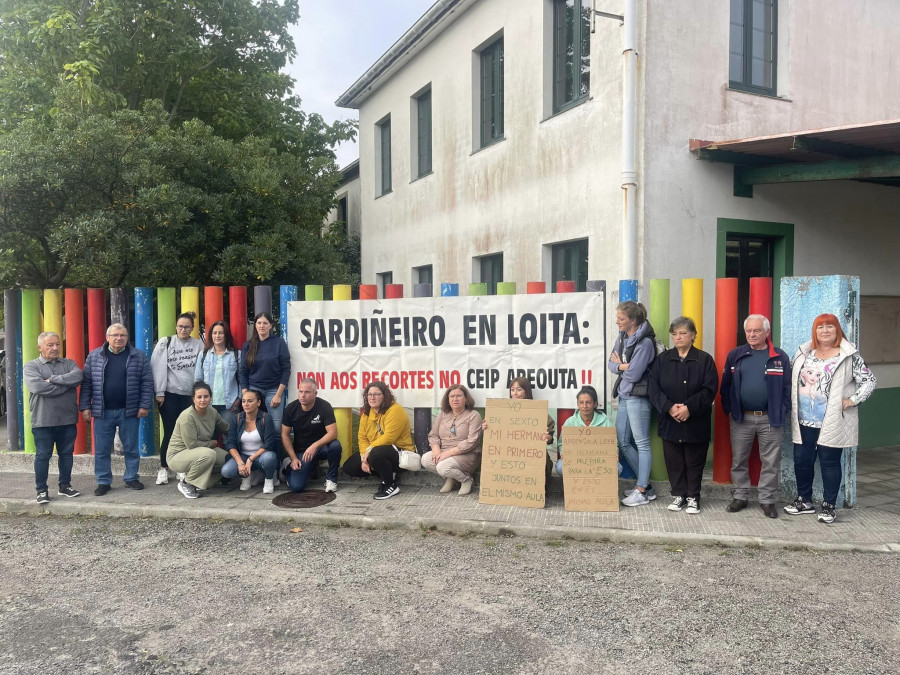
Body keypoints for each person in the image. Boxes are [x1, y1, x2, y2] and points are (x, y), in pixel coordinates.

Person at [785, 314, 876, 523]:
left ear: (837, 331)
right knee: (801, 460)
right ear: (814, 332)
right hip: (804, 419)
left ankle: (828, 505)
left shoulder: (848, 356)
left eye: (829, 327)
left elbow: (869, 381)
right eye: (820, 327)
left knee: (830, 462)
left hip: (833, 420)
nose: (824, 331)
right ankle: (804, 500)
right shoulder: (803, 354)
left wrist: (853, 400)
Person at [719, 314, 791, 519]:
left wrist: (782, 409)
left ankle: (767, 500)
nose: (752, 334)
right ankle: (740, 496)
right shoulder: (736, 355)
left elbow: (787, 388)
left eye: (757, 330)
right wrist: (730, 408)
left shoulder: (779, 357)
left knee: (770, 461)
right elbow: (726, 385)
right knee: (739, 459)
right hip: (742, 418)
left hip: (771, 418)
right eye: (748, 330)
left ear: (767, 332)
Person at [648, 317, 718, 514]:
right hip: (669, 420)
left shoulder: (704, 360)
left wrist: (689, 408)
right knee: (674, 460)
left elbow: (709, 389)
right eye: (675, 334)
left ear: (693, 335)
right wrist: (669, 407)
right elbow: (654, 388)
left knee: (694, 460)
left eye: (683, 333)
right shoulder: (663, 359)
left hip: (695, 421)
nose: (678, 337)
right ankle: (678, 495)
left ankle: (693, 497)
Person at [79, 323, 153, 496]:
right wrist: (85, 406)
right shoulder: (94, 356)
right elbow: (87, 383)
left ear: (127, 338)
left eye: (123, 335)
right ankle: (103, 481)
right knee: (102, 449)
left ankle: (131, 477)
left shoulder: (138, 356)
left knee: (131, 447)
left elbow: (147, 382)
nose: (119, 338)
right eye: (115, 335)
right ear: (107, 337)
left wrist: (144, 405)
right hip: (102, 411)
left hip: (130, 410)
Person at [23, 331, 84, 504]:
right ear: (40, 347)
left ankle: (65, 486)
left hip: (67, 419)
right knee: (43, 456)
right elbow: (39, 387)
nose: (55, 348)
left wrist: (53, 379)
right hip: (43, 421)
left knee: (67, 455)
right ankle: (41, 490)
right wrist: (65, 386)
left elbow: (78, 376)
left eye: (57, 344)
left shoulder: (69, 363)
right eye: (50, 345)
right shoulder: (31, 366)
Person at [608, 301, 659, 506]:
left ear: (633, 320)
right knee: (623, 441)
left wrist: (622, 366)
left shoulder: (645, 343)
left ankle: (641, 491)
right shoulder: (622, 338)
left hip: (639, 398)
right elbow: (611, 365)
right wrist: (624, 366)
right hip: (625, 396)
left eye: (621, 319)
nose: (617, 322)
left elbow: (636, 373)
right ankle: (646, 485)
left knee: (642, 443)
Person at [151, 312, 204, 485]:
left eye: (187, 327)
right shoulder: (166, 343)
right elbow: (157, 368)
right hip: (169, 394)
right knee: (170, 431)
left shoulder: (199, 345)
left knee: (186, 433)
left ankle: (182, 468)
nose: (183, 329)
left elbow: (201, 370)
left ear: (192, 328)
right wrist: (159, 392)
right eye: (180, 326)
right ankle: (164, 468)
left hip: (190, 396)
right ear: (176, 326)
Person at [342, 380, 414, 500]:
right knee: (350, 466)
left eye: (377, 394)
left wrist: (368, 453)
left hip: (400, 453)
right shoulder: (366, 412)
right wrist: (364, 457)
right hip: (376, 452)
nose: (372, 397)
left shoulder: (395, 410)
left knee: (376, 454)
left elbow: (388, 438)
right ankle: (387, 471)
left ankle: (390, 484)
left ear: (385, 396)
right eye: (369, 394)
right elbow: (362, 437)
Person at [484, 377, 555, 484]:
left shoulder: (539, 412)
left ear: (526, 391)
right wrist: (487, 426)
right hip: (509, 452)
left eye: (519, 389)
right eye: (512, 390)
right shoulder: (501, 412)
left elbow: (550, 438)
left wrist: (546, 437)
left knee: (542, 460)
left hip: (531, 453)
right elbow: (495, 433)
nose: (515, 393)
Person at [167, 381, 231, 499]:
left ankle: (203, 483)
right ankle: (187, 483)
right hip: (178, 455)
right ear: (193, 399)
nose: (203, 400)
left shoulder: (212, 412)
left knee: (229, 461)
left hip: (202, 450)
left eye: (206, 396)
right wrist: (211, 443)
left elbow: (226, 428)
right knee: (209, 454)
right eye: (199, 397)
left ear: (210, 398)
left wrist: (246, 433)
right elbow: (192, 445)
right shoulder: (187, 416)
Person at [238, 312, 290, 452]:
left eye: (265, 323)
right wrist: (246, 394)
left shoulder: (279, 343)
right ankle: (256, 461)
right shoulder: (248, 345)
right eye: (259, 323)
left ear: (271, 326)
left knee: (277, 428)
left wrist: (279, 394)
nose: (262, 326)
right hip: (254, 389)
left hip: (274, 390)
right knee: (255, 425)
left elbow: (286, 369)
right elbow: (243, 371)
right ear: (255, 325)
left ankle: (275, 465)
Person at [281, 377, 342, 493]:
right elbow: (285, 435)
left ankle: (331, 479)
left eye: (307, 392)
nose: (303, 395)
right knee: (296, 487)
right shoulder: (290, 409)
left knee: (335, 445)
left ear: (315, 393)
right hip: (302, 451)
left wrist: (315, 445)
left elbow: (333, 433)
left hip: (321, 447)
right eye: (301, 391)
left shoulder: (324, 406)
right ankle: (287, 465)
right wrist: (293, 458)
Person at [422, 384, 483, 495]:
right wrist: (436, 449)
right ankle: (451, 478)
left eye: (459, 396)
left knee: (443, 467)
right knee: (425, 460)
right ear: (448, 399)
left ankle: (466, 480)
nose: (455, 399)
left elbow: (472, 441)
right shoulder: (443, 414)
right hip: (445, 451)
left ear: (465, 398)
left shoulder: (473, 415)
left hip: (466, 454)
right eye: (452, 396)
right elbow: (433, 435)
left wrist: (449, 453)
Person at [222, 389, 280, 494]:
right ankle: (247, 475)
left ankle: (269, 478)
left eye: (250, 401)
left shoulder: (266, 418)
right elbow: (231, 443)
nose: (246, 404)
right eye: (243, 401)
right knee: (226, 471)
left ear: (258, 402)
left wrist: (250, 460)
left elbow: (269, 444)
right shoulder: (236, 419)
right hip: (243, 455)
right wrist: (240, 463)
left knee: (269, 458)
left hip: (260, 456)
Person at [556, 386, 612, 478]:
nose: (584, 406)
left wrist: (614, 454)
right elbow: (562, 443)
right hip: (576, 459)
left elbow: (614, 443)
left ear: (595, 404)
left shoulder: (605, 421)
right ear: (577, 404)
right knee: (560, 467)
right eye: (581, 402)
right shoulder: (570, 422)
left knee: (617, 468)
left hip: (598, 460)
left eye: (588, 402)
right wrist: (563, 453)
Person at [194, 320, 241, 417]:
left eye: (221, 333)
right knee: (208, 432)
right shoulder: (203, 355)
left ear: (226, 335)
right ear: (211, 335)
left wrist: (239, 399)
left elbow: (242, 379)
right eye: (214, 333)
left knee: (229, 432)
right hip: (207, 405)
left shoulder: (236, 354)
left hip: (229, 405)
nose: (217, 336)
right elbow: (198, 380)